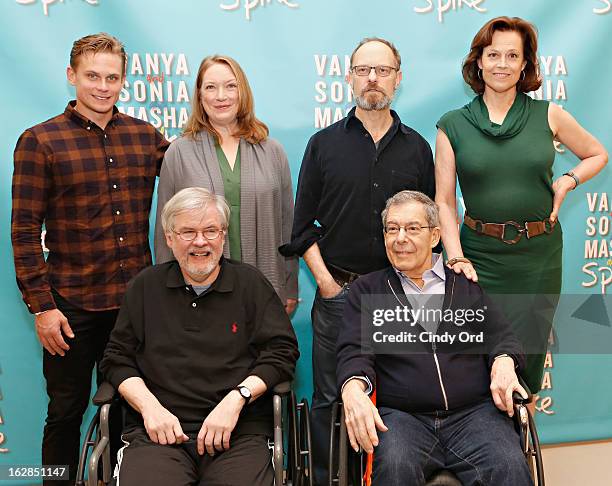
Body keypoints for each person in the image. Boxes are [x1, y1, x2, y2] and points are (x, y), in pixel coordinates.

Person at [10, 33, 169, 485]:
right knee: (65, 412)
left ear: (124, 80)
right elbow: (24, 232)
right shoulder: (40, 142)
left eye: (112, 77)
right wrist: (42, 308)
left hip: (134, 309)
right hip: (71, 308)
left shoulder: (145, 137)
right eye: (92, 76)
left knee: (129, 411)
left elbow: (193, 176)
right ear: (71, 76)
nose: (103, 86)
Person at [280, 37, 435, 484]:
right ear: (348, 77)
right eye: (364, 69)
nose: (373, 78)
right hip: (339, 296)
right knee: (332, 400)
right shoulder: (323, 145)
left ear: (397, 79)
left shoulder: (418, 149)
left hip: (401, 298)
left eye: (383, 70)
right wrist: (328, 285)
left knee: (399, 401)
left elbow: (429, 230)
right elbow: (301, 227)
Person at [435, 16, 608, 393]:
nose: (502, 63)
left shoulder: (548, 114)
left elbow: (597, 154)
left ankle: (520, 449)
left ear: (525, 63)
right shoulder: (452, 124)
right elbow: (444, 202)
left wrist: (568, 180)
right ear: (478, 61)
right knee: (480, 357)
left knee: (527, 360)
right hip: (479, 260)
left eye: (512, 55)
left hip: (539, 257)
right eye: (493, 54)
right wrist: (455, 257)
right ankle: (486, 445)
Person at [100, 187, 299, 486]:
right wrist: (150, 408)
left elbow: (282, 351)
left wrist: (237, 399)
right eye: (188, 232)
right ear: (169, 238)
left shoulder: (250, 284)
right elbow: (116, 358)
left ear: (223, 236)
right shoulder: (145, 287)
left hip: (238, 432)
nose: (200, 242)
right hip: (158, 434)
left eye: (210, 230)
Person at [337, 190, 532, 486]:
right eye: (392, 228)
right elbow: (353, 352)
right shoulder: (368, 290)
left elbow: (501, 337)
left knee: (508, 466)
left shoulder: (465, 285)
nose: (400, 238)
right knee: (394, 468)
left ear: (435, 236)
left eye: (413, 228)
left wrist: (503, 362)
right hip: (403, 418)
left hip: (474, 415)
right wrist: (352, 389)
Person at [153, 54, 298, 314]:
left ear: (243, 92)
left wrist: (289, 286)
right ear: (199, 96)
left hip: (264, 289)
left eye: (230, 86)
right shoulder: (179, 153)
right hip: (196, 293)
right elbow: (166, 234)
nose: (221, 96)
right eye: (211, 87)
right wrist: (168, 292)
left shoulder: (273, 151)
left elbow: (287, 225)